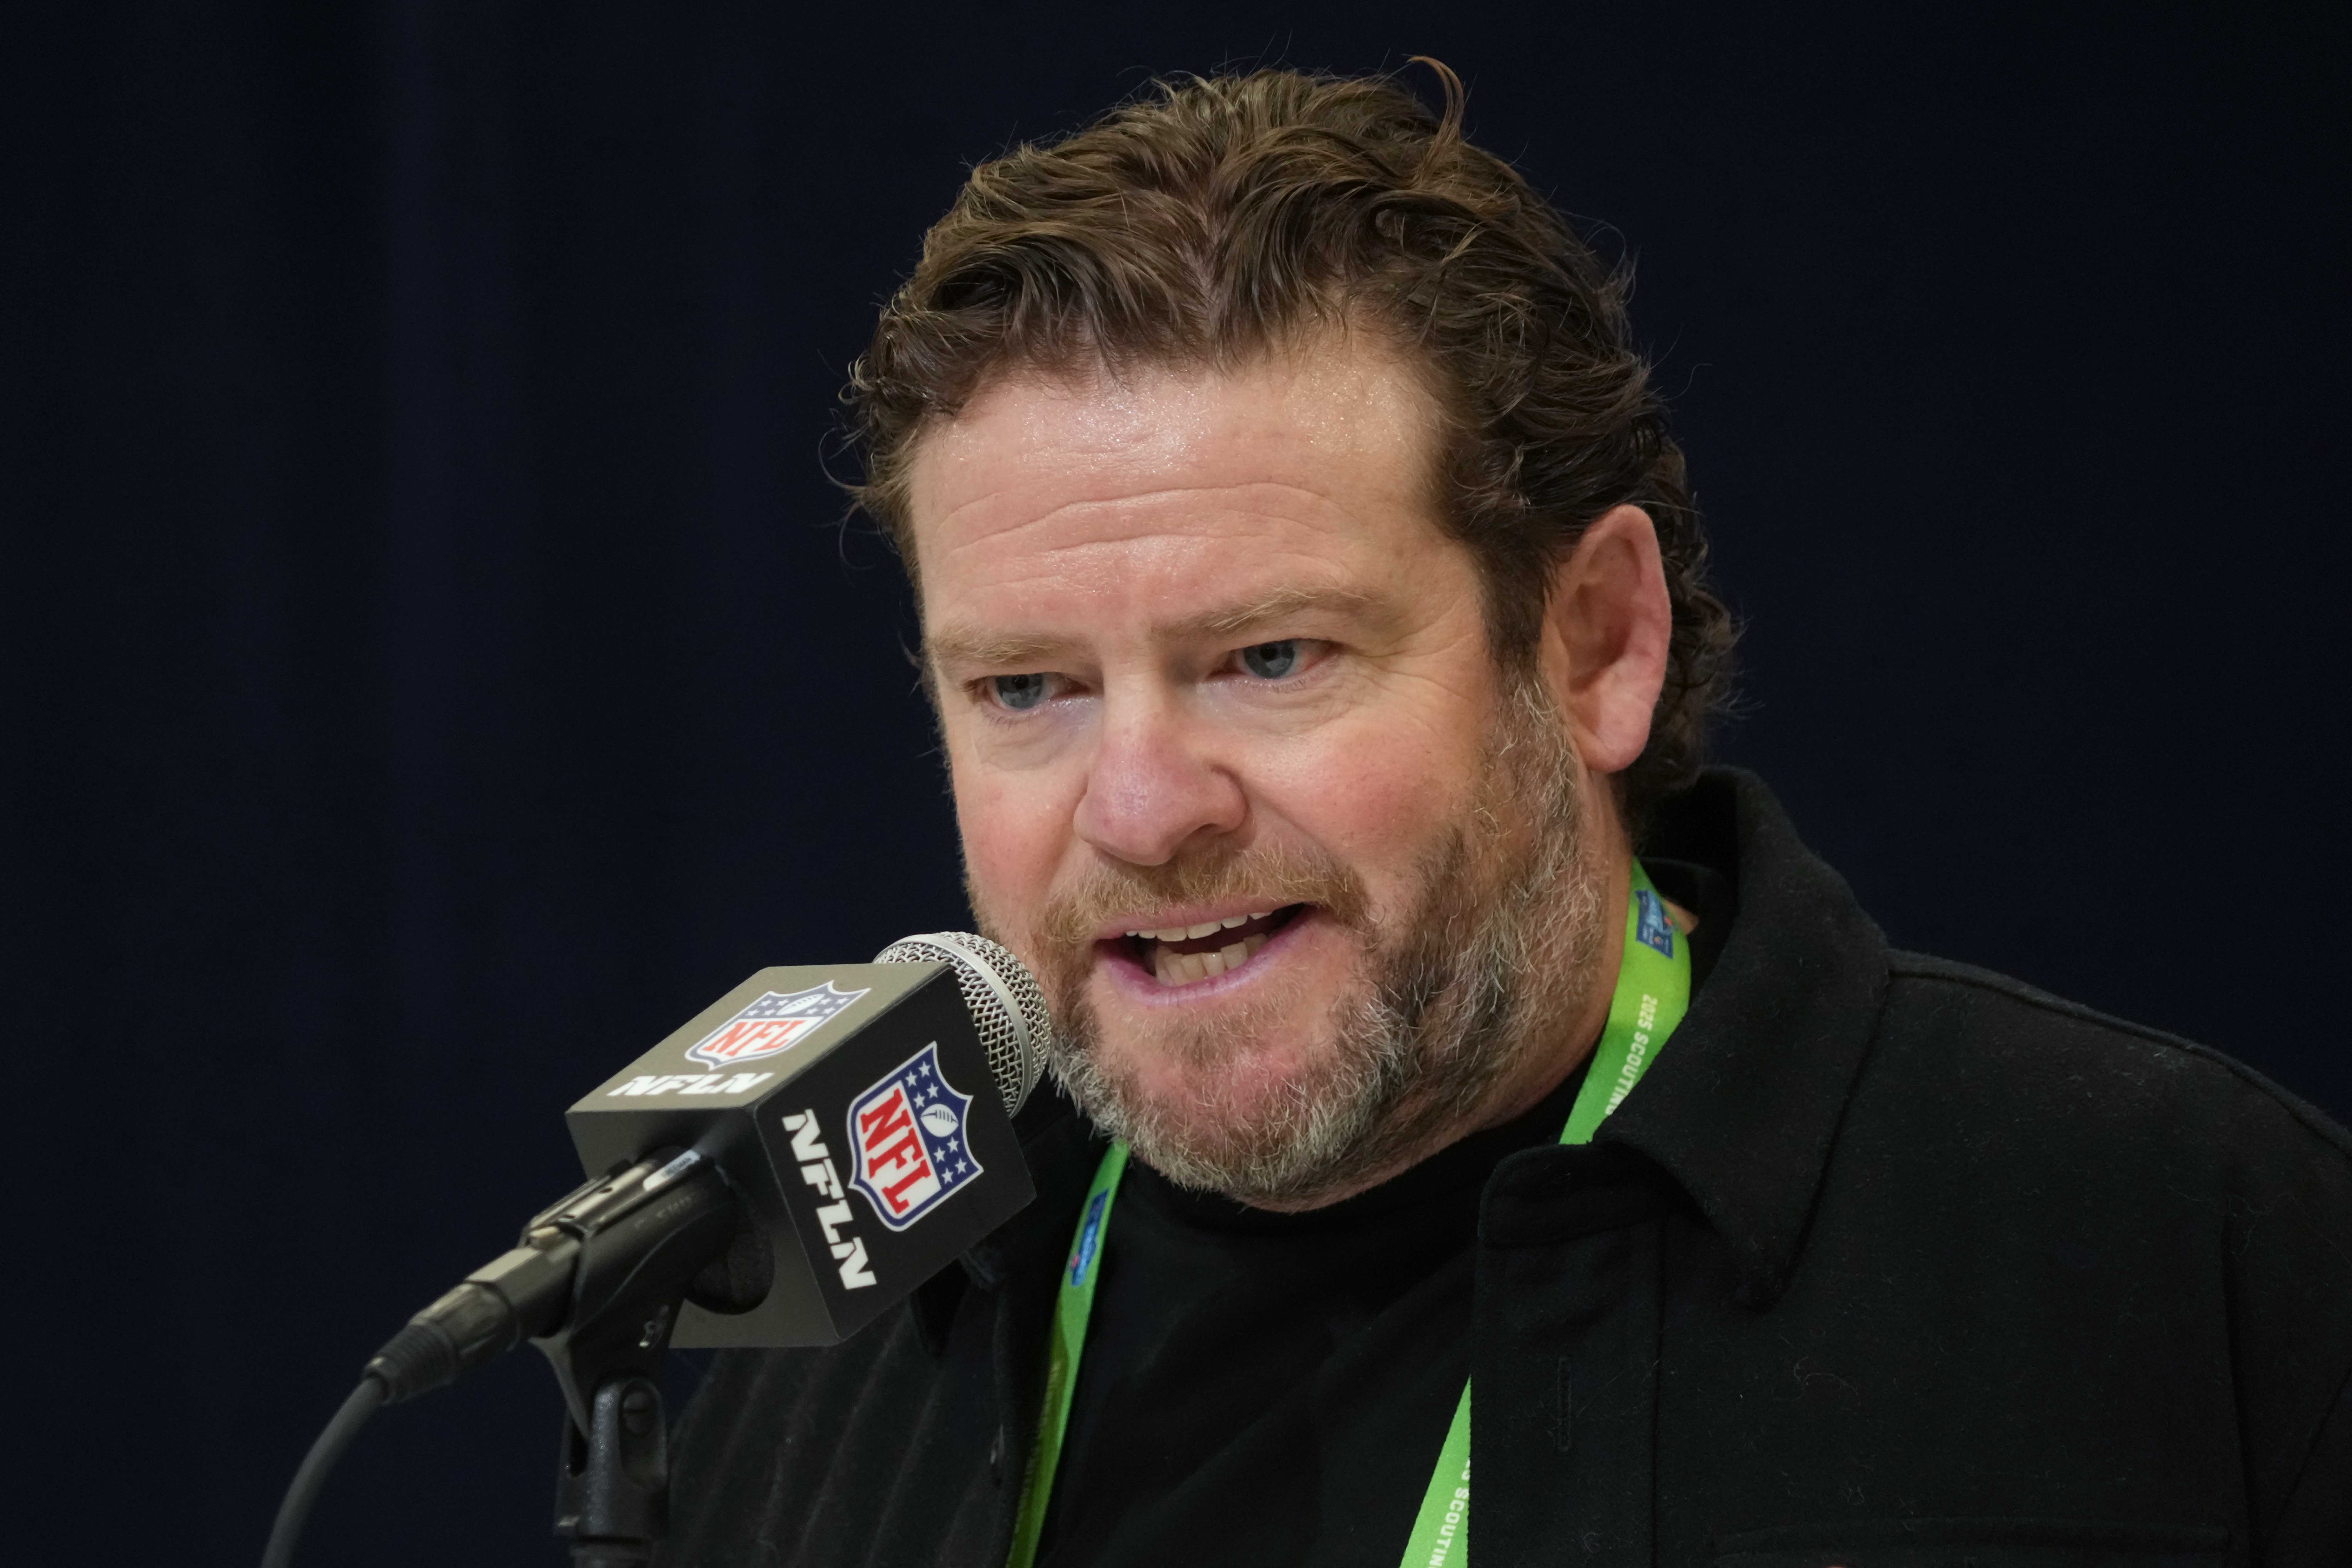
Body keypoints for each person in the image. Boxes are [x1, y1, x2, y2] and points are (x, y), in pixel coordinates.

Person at [662, 65, 2352, 1566]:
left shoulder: (2177, 1251)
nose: (1144, 810)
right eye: (1026, 687)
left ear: (1597, 643)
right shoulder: (848, 1330)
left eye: (1270, 656)